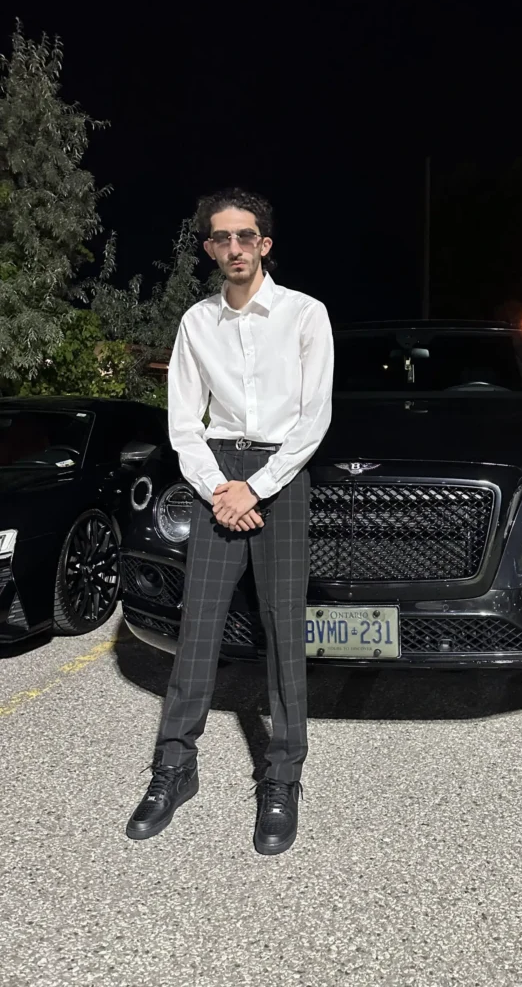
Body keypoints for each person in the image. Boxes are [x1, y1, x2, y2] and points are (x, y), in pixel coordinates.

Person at [126, 188, 334, 854]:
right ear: (210, 247)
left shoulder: (305, 315)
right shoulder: (197, 323)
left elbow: (314, 418)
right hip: (216, 475)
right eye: (223, 237)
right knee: (198, 629)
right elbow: (183, 424)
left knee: (283, 633)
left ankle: (283, 777)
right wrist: (221, 488)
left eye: (247, 236)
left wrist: (258, 487)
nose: (235, 247)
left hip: (282, 476)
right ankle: (174, 768)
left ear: (265, 244)